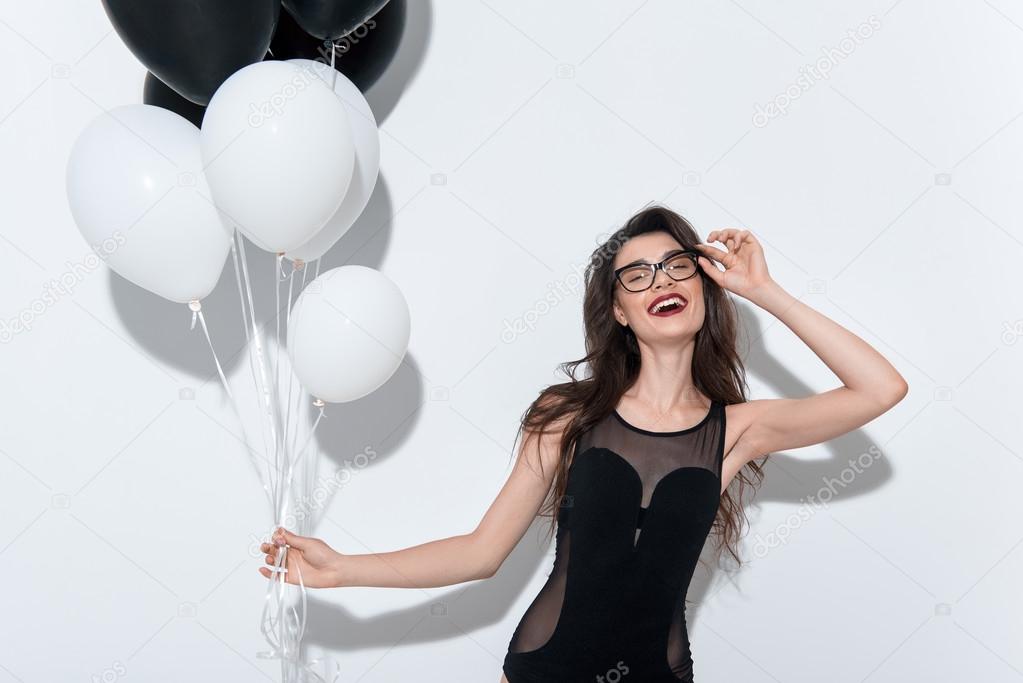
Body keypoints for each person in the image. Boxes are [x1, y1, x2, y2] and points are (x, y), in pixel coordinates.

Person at [257, 205, 908, 682]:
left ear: (705, 289)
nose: (660, 281)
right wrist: (344, 567)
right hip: (547, 670)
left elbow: (880, 388)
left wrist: (765, 291)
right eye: (637, 275)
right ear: (618, 313)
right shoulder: (565, 415)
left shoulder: (736, 429)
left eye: (677, 266)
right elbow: (481, 553)